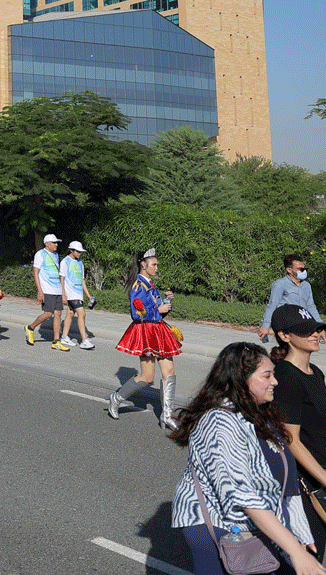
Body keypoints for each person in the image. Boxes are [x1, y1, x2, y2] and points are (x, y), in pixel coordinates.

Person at [169, 342, 326, 575]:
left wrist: (300, 532)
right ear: (241, 381)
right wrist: (294, 549)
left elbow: (287, 481)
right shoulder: (219, 422)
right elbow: (243, 494)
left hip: (255, 523)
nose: (275, 381)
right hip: (218, 525)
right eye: (267, 376)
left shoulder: (259, 413)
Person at [107, 248, 183, 429]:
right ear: (143, 264)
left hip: (158, 330)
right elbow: (136, 314)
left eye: (157, 265)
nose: (157, 268)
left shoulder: (150, 285)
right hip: (147, 334)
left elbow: (155, 309)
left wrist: (165, 302)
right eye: (154, 265)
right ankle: (116, 398)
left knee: (169, 372)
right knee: (147, 377)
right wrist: (159, 310)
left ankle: (167, 415)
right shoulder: (137, 286)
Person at [270, 305, 326, 549]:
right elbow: (291, 439)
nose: (315, 334)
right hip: (307, 481)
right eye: (305, 331)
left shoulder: (316, 373)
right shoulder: (285, 376)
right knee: (309, 554)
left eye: (316, 328)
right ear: (284, 336)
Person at [261, 255, 323, 341]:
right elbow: (272, 305)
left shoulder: (306, 286)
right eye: (300, 269)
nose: (304, 271)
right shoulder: (280, 284)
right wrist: (265, 326)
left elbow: (311, 306)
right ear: (289, 270)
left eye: (305, 269)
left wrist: (320, 326)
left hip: (303, 323)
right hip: (287, 324)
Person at [25, 233, 64, 349]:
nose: (56, 245)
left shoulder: (56, 255)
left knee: (58, 314)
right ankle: (30, 328)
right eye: (54, 243)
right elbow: (35, 272)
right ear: (47, 244)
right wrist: (40, 291)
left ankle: (56, 341)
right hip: (47, 289)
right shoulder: (40, 254)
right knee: (48, 314)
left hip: (57, 289)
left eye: (57, 243)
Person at [57, 241, 94, 350]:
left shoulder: (80, 263)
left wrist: (88, 295)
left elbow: (82, 279)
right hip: (70, 293)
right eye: (77, 251)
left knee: (71, 313)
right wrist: (63, 294)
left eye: (80, 251)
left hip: (79, 293)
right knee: (82, 314)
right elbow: (62, 278)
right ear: (71, 250)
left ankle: (64, 336)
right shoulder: (65, 261)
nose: (79, 253)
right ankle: (84, 340)